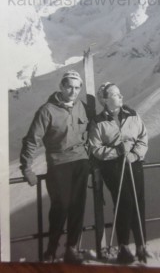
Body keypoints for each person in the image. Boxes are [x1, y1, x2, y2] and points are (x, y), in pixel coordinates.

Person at [20, 70, 90, 263]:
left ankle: (72, 249)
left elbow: (90, 131)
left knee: (77, 206)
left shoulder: (82, 107)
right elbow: (31, 140)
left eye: (77, 88)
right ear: (61, 86)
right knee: (61, 207)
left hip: (81, 162)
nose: (73, 91)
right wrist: (27, 169)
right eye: (69, 86)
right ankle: (50, 250)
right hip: (59, 164)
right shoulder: (47, 110)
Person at [88, 82, 149, 264]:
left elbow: (143, 136)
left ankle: (141, 245)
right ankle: (123, 246)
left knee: (139, 201)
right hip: (113, 167)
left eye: (120, 93)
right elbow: (95, 149)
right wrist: (117, 152)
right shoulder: (98, 122)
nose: (120, 96)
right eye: (115, 94)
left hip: (134, 162)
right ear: (105, 100)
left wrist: (136, 153)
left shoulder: (132, 114)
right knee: (125, 202)